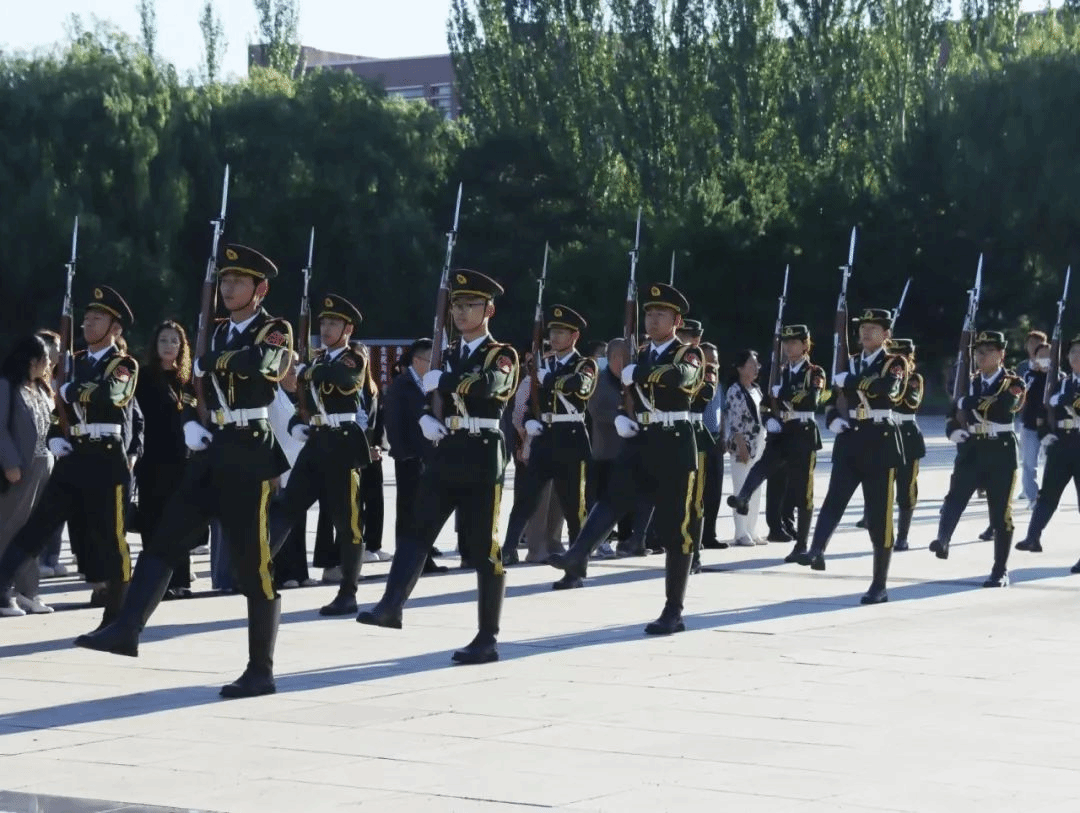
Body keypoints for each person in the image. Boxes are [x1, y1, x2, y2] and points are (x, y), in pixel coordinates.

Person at [75, 244, 293, 700]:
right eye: (225, 280)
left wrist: (214, 360)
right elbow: (196, 388)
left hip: (250, 451)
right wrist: (192, 420)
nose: (228, 287)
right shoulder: (217, 330)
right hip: (213, 448)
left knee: (253, 567)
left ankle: (261, 670)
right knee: (165, 539)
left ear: (260, 289)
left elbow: (265, 367)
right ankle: (127, 628)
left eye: (239, 281)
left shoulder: (274, 330)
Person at [357, 270, 519, 665]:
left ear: (489, 310)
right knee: (418, 530)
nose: (461, 312)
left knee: (483, 548)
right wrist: (425, 417)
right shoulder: (447, 355)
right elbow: (425, 394)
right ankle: (391, 605)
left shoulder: (501, 354)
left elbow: (490, 386)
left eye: (470, 305)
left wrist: (444, 381)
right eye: (457, 306)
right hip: (447, 450)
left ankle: (487, 637)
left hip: (482, 451)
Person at [548, 283, 704, 635]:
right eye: (649, 313)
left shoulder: (687, 353)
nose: (652, 319)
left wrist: (642, 373)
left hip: (674, 443)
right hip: (641, 440)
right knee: (612, 497)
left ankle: (673, 610)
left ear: (677, 321)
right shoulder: (641, 353)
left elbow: (683, 378)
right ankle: (578, 554)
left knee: (675, 529)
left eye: (661, 314)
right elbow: (629, 395)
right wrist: (621, 414)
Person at [0, 287, 138, 626]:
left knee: (112, 537)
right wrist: (55, 437)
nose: (89, 324)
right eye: (87, 318)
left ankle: (118, 613)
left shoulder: (123, 364)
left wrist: (71, 389)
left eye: (98, 319)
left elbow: (113, 394)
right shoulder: (72, 363)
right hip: (74, 455)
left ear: (115, 328)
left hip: (106, 457)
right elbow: (53, 411)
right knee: (37, 526)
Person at [796, 308, 908, 605]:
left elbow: (888, 390)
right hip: (850, 438)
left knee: (879, 515)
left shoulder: (894, 363)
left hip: (880, 440)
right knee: (834, 499)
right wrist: (833, 418)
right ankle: (817, 549)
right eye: (863, 327)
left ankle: (879, 584)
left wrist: (852, 381)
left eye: (874, 328)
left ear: (886, 334)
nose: (866, 332)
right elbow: (833, 398)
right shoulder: (851, 362)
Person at [273, 295, 370, 614]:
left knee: (347, 521)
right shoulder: (315, 362)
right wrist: (295, 424)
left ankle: (348, 592)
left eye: (334, 323)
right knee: (287, 505)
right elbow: (301, 403)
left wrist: (310, 371)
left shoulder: (353, 358)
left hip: (342, 443)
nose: (326, 329)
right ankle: (259, 566)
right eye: (324, 323)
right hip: (316, 442)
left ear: (348, 329)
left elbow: (344, 381)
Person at [501, 305, 597, 566]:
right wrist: (529, 421)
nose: (554, 337)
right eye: (552, 331)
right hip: (544, 436)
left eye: (561, 332)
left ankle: (577, 559)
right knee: (526, 497)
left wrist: (551, 379)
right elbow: (532, 402)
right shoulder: (544, 364)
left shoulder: (584, 364)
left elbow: (582, 386)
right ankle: (508, 549)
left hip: (571, 437)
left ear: (574, 336)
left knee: (573, 505)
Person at [928, 330, 1025, 587]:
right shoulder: (967, 382)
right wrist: (953, 430)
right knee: (954, 497)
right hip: (971, 448)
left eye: (989, 351)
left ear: (1001, 354)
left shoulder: (1013, 382)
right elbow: (952, 412)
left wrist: (966, 401)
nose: (982, 356)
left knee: (1000, 512)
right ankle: (943, 539)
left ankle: (1000, 570)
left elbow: (1003, 405)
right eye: (979, 352)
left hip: (1000, 449)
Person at [728, 325, 825, 561]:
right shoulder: (779, 372)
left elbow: (812, 400)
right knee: (762, 466)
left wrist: (785, 393)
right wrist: (768, 420)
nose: (788, 347)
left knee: (803, 491)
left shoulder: (814, 372)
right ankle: (743, 497)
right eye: (786, 343)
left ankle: (802, 544)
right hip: (781, 431)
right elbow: (765, 404)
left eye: (794, 343)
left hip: (802, 431)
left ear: (805, 345)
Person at [134, 321, 198, 599]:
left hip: (182, 461)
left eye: (174, 341)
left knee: (180, 521)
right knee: (152, 521)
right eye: (163, 340)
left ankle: (180, 580)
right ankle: (154, 582)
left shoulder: (188, 379)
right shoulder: (144, 376)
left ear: (182, 346)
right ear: (155, 345)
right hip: (151, 460)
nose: (169, 346)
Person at [0, 335, 56, 616]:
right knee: (10, 528)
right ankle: (3, 591)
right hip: (19, 470)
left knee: (34, 531)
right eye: (46, 359)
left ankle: (28, 591)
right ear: (33, 360)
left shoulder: (41, 388)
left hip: (45, 468)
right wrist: (10, 463)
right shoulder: (7, 386)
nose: (49, 364)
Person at [383, 338, 445, 574]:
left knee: (426, 510)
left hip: (428, 456)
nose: (434, 365)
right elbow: (393, 422)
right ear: (417, 360)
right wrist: (402, 453)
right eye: (431, 360)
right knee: (409, 511)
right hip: (409, 458)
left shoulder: (427, 384)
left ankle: (423, 559)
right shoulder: (402, 384)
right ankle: (406, 561)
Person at [1015, 336, 1080, 560]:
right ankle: (1032, 537)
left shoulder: (1063, 388)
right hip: (1060, 444)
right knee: (1047, 496)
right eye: (1073, 352)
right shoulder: (1060, 382)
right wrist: (1044, 434)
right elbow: (1042, 412)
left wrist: (1064, 399)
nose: (1076, 356)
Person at [723, 350, 767, 547]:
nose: (756, 368)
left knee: (755, 488)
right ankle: (741, 532)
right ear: (740, 368)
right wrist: (742, 447)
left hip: (759, 443)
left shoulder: (756, 389)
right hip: (743, 444)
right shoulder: (734, 390)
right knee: (741, 488)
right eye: (751, 365)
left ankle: (752, 529)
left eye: (757, 365)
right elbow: (735, 423)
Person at [886, 338, 926, 551]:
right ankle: (884, 531)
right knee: (882, 484)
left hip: (907, 435)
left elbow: (911, 401)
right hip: (886, 433)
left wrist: (897, 380)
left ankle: (902, 536)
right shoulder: (884, 376)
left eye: (900, 357)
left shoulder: (914, 379)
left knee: (906, 487)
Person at [1017, 341, 1054, 511]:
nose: (1045, 358)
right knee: (1029, 464)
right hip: (1030, 426)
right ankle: (1032, 497)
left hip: (1051, 427)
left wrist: (1050, 373)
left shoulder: (1059, 376)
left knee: (1052, 465)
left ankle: (1049, 497)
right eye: (1041, 356)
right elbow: (1025, 394)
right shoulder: (1029, 376)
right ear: (1035, 358)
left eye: (1048, 355)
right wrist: (1038, 373)